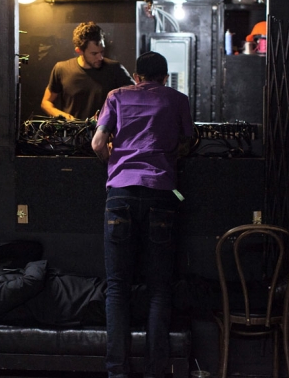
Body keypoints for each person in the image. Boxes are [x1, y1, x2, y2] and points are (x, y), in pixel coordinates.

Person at [91, 51, 194, 378]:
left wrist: (115, 165)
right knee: (159, 288)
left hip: (120, 195)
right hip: (162, 195)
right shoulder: (178, 99)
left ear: (136, 76)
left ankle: (116, 372)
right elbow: (187, 142)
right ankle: (156, 372)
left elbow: (97, 142)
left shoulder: (117, 96)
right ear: (164, 78)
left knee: (118, 287)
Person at [0, 241, 148, 353]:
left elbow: (32, 248)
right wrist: (34, 266)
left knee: (154, 296)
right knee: (157, 298)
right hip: (83, 303)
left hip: (86, 292)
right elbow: (31, 281)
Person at [40, 21, 134, 120]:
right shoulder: (61, 69)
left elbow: (138, 97)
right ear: (79, 51)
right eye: (94, 53)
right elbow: (46, 103)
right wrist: (65, 117)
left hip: (106, 134)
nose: (100, 57)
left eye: (102, 51)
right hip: (73, 133)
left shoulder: (115, 69)